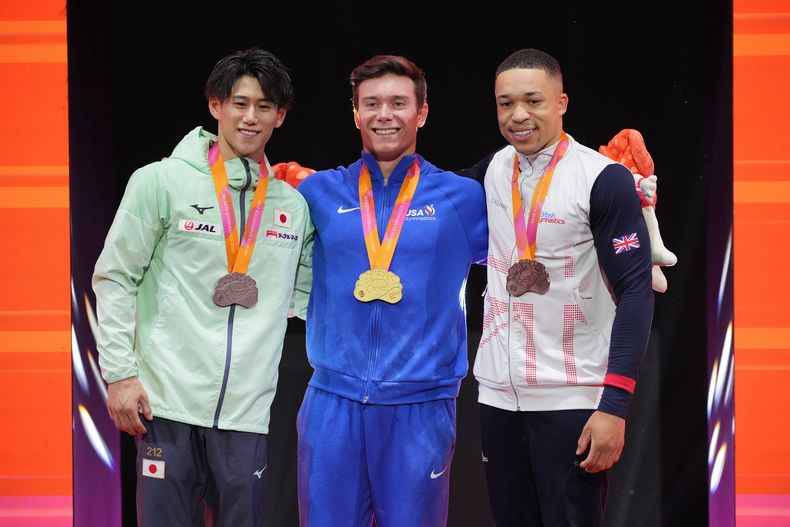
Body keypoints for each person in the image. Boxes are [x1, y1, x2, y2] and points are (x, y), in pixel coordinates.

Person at [92, 47, 313, 525]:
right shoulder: (160, 181)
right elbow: (114, 277)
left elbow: (305, 297)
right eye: (239, 102)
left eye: (264, 106)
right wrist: (120, 375)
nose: (250, 117)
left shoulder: (292, 206)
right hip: (164, 403)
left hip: (245, 415)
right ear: (215, 104)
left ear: (280, 115)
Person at [294, 55, 488, 526]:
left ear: (421, 113)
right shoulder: (317, 193)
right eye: (372, 103)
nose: (385, 114)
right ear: (355, 113)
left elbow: (528, 247)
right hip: (331, 403)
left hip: (420, 407)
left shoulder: (461, 197)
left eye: (399, 103)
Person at [465, 48, 654, 526]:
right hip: (498, 398)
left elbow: (636, 292)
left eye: (533, 100)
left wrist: (614, 406)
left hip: (573, 400)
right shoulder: (491, 170)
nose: (518, 115)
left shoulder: (601, 178)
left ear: (562, 101)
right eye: (505, 103)